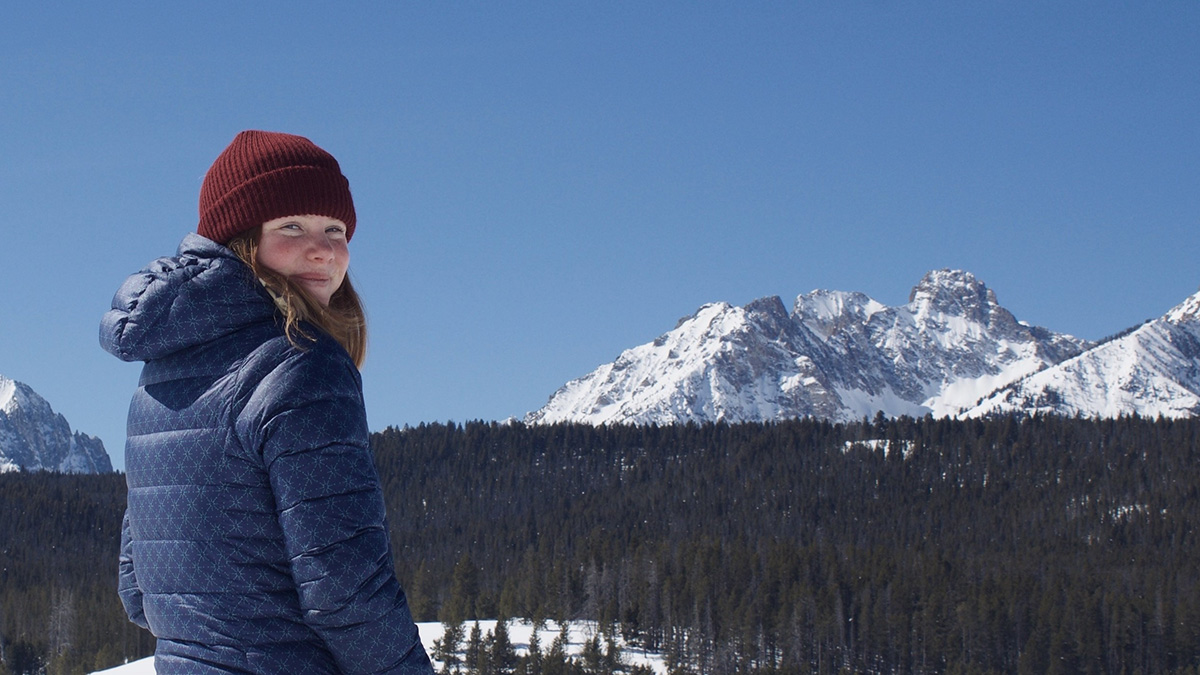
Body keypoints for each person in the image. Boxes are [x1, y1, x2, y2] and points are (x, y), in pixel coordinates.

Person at [100, 130, 433, 674]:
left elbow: (138, 590)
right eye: (292, 227)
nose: (323, 248)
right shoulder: (303, 364)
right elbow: (346, 588)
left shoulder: (161, 369)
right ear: (241, 238)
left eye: (336, 229)